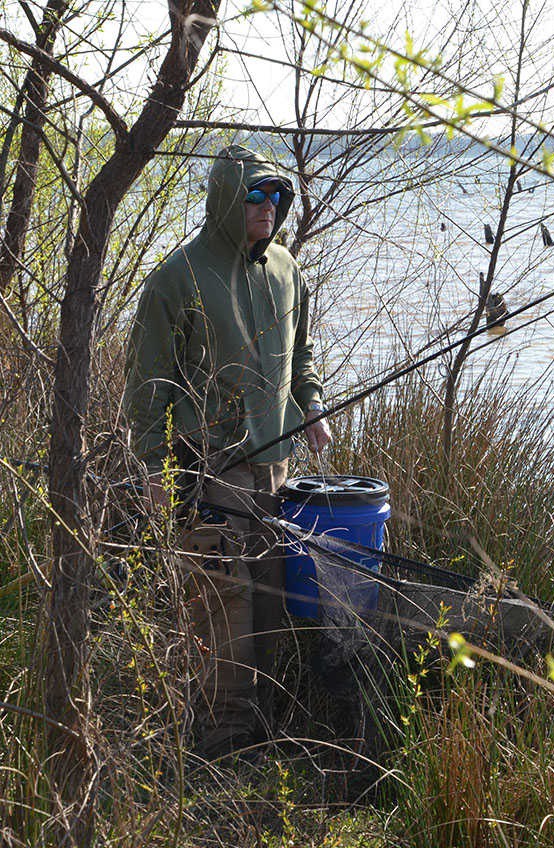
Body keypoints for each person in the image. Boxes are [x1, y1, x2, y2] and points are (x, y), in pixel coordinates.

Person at [124, 144, 332, 757]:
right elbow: (146, 392)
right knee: (222, 600)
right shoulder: (174, 279)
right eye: (254, 195)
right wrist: (155, 473)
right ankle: (222, 738)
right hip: (205, 469)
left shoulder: (287, 271)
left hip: (278, 471)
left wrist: (313, 407)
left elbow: (302, 360)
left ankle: (262, 728)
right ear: (224, 199)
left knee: (271, 594)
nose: (268, 207)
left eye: (276, 196)